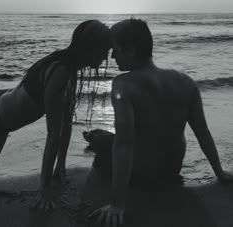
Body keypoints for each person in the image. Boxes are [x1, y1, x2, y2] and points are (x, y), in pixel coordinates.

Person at [84, 18, 233, 226]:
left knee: (103, 141)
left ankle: (92, 135)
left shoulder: (123, 84)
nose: (113, 56)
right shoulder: (186, 81)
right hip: (171, 171)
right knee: (115, 138)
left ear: (132, 49)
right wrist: (220, 173)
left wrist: (117, 203)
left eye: (116, 50)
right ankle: (97, 135)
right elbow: (202, 132)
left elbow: (124, 144)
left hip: (140, 173)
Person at [0, 20, 111, 210]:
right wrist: (45, 189)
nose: (106, 57)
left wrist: (60, 168)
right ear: (90, 48)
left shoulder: (69, 70)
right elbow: (53, 135)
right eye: (104, 50)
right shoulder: (60, 71)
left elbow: (66, 126)